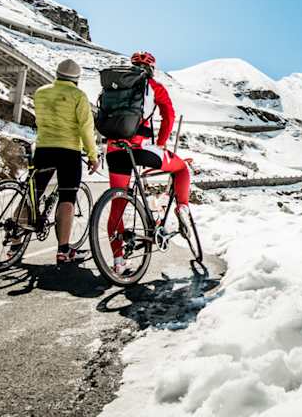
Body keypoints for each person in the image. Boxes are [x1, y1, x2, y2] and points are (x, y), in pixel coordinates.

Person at [105, 51, 192, 275]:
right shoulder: (154, 87)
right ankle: (182, 207)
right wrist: (161, 143)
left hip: (115, 151)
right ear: (151, 69)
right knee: (181, 168)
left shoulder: (114, 86)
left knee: (117, 204)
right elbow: (169, 116)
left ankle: (118, 261)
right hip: (140, 149)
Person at [20, 59, 100, 264]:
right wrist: (93, 155)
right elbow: (85, 128)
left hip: (44, 148)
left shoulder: (41, 92)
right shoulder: (78, 96)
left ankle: (14, 241)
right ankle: (63, 250)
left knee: (33, 193)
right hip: (68, 151)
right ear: (77, 79)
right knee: (67, 196)